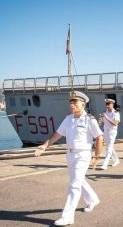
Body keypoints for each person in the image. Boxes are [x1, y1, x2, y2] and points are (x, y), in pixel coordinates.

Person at [34, 91, 103, 226]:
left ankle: (67, 217)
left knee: (74, 185)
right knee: (78, 180)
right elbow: (57, 134)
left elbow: (99, 137)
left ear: (83, 104)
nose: (72, 105)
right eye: (71, 102)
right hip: (70, 154)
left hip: (83, 155)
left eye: (75, 102)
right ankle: (93, 199)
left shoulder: (89, 119)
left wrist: (97, 156)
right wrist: (45, 145)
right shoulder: (68, 118)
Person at [100, 99, 120, 170]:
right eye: (106, 104)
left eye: (109, 104)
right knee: (109, 146)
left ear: (112, 104)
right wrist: (100, 119)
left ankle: (105, 164)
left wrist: (107, 118)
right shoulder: (104, 112)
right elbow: (101, 122)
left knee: (108, 149)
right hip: (105, 131)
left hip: (112, 131)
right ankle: (116, 160)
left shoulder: (116, 113)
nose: (107, 106)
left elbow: (115, 123)